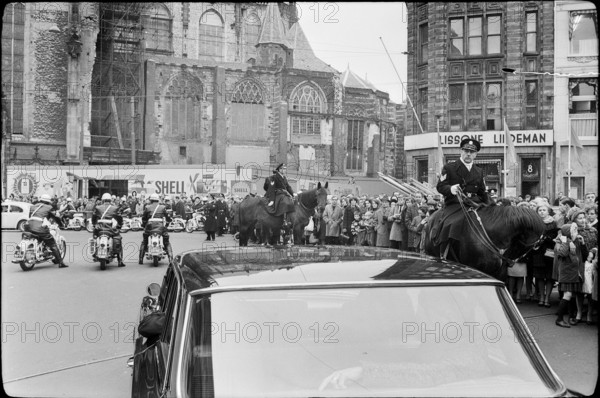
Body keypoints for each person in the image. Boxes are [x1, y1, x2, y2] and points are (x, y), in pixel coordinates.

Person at [433, 138, 492, 259]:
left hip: (474, 204)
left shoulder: (479, 171)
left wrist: (492, 206)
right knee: (450, 224)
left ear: (475, 154)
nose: (468, 154)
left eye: (472, 152)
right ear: (461, 151)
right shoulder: (450, 167)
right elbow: (440, 186)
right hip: (455, 204)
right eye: (466, 151)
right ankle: (444, 253)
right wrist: (450, 189)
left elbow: (482, 192)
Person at [24, 194, 68, 268]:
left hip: (28, 226)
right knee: (52, 243)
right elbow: (56, 217)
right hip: (39, 227)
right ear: (48, 201)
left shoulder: (33, 206)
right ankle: (61, 262)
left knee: (39, 236)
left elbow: (32, 217)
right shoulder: (49, 207)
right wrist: (61, 225)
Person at [139, 193, 174, 265]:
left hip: (149, 226)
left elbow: (144, 218)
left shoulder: (147, 207)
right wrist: (168, 222)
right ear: (158, 200)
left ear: (151, 200)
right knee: (166, 241)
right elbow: (168, 217)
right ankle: (170, 258)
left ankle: (140, 259)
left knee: (144, 241)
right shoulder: (162, 207)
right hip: (160, 226)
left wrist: (144, 225)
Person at [92, 193, 126, 267]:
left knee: (94, 237)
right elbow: (119, 218)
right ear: (110, 200)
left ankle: (95, 252)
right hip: (110, 229)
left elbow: (93, 218)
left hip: (99, 229)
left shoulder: (98, 207)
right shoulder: (114, 208)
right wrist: (119, 225)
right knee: (118, 239)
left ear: (102, 200)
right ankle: (120, 260)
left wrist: (94, 224)